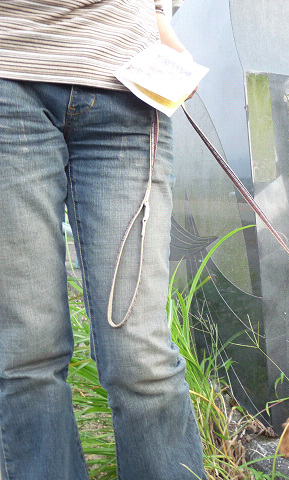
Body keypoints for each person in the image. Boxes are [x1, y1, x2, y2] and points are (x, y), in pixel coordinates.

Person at [0, 1, 206, 479]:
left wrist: (160, 18)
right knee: (26, 353)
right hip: (9, 71)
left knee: (141, 356)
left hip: (130, 84)